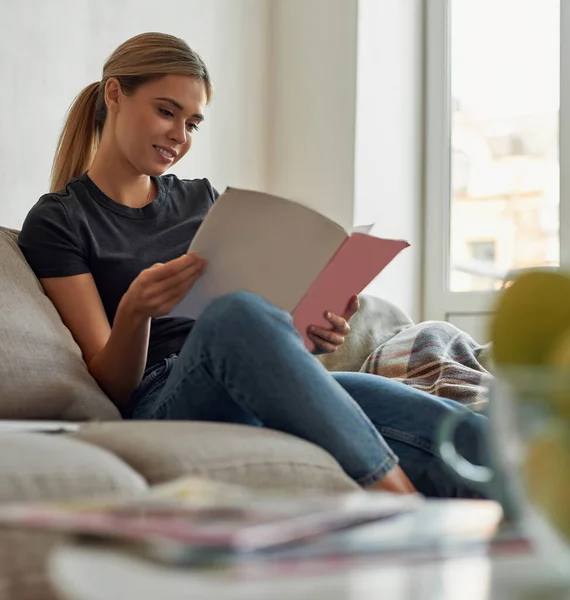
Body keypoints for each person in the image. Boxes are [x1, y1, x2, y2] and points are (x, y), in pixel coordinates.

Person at [18, 32, 489, 498]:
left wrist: (308, 330)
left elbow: (260, 325)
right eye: (166, 111)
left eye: (193, 123)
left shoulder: (202, 199)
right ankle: (398, 502)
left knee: (455, 431)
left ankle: (545, 528)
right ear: (115, 94)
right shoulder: (60, 220)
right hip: (162, 397)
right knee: (234, 315)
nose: (179, 136)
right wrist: (135, 312)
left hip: (250, 380)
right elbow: (112, 389)